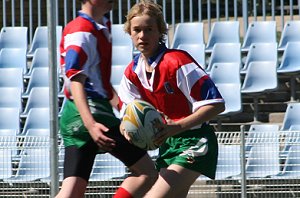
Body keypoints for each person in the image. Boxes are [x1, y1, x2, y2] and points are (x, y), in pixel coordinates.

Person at [118, 0, 226, 197]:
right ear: (129, 33)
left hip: (195, 140)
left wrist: (176, 127)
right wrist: (125, 128)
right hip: (168, 145)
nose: (143, 36)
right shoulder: (132, 72)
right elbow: (126, 111)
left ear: (160, 31)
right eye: (137, 30)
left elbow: (216, 105)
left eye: (149, 29)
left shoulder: (177, 62)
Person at [56, 0, 158, 198]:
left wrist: (126, 108)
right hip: (91, 114)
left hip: (76, 115)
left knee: (72, 190)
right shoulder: (82, 29)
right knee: (146, 172)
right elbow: (75, 79)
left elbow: (101, 83)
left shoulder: (99, 26)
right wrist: (91, 124)